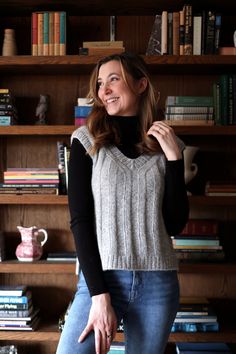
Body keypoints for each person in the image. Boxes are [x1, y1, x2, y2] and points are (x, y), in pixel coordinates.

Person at [56, 52, 189, 354]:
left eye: (113, 79)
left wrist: (174, 161)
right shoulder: (85, 141)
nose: (104, 90)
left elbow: (175, 224)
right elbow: (80, 220)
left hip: (158, 285)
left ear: (141, 84)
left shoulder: (169, 146)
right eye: (100, 83)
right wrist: (99, 295)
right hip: (102, 279)